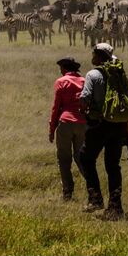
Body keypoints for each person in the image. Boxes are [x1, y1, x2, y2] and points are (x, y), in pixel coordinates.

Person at [77, 44, 128, 220]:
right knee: (113, 166)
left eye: (93, 53)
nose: (91, 56)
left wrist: (83, 109)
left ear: (98, 56)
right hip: (118, 126)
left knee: (85, 159)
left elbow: (85, 98)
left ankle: (95, 199)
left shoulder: (93, 74)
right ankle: (116, 207)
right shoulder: (118, 73)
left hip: (98, 125)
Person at [48, 57, 88, 202]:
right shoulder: (84, 81)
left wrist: (52, 129)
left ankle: (67, 192)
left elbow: (56, 107)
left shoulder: (61, 81)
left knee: (64, 159)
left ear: (64, 69)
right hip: (83, 123)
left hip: (65, 122)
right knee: (81, 158)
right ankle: (92, 189)